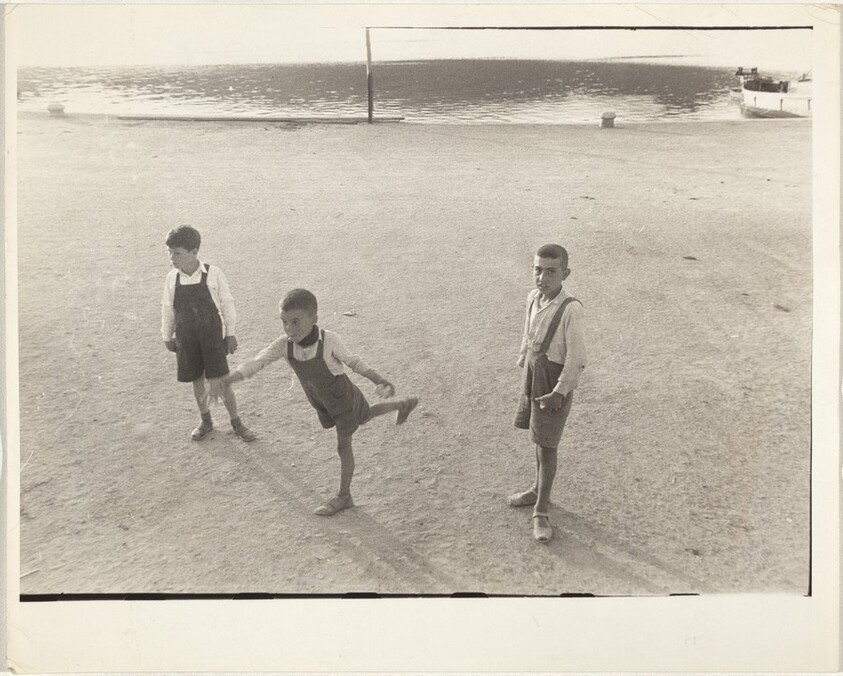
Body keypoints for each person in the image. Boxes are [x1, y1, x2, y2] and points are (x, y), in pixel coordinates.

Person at [211, 288, 419, 516]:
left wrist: (379, 379)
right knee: (366, 415)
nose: (289, 329)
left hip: (343, 398)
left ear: (314, 319)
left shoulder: (329, 340)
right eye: (284, 322)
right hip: (322, 401)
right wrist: (229, 379)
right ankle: (403, 404)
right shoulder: (284, 344)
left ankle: (344, 496)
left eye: (296, 322)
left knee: (344, 445)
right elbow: (257, 362)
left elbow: (354, 362)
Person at [508, 244, 587, 543]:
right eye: (538, 270)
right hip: (534, 374)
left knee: (548, 445)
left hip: (553, 383)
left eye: (551, 272)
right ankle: (536, 488)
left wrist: (558, 392)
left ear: (565, 273)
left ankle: (541, 509)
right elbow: (528, 334)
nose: (543, 277)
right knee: (537, 438)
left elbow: (577, 357)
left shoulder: (571, 309)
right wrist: (523, 362)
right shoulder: (533, 298)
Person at [161, 225, 256, 442]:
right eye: (169, 252)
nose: (172, 258)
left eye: (177, 253)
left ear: (194, 252)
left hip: (211, 337)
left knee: (221, 380)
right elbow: (168, 308)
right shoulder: (172, 279)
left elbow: (227, 304)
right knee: (197, 380)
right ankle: (206, 420)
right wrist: (167, 336)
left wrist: (230, 333)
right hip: (186, 338)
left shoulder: (213, 274)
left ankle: (236, 422)